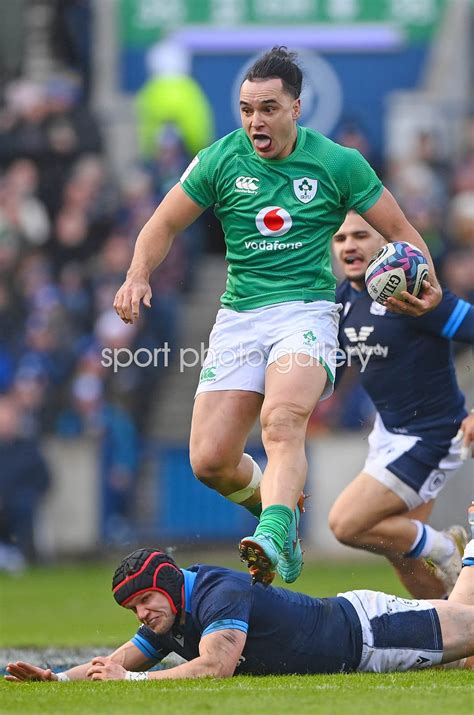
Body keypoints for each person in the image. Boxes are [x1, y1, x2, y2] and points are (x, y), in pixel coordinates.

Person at [113, 47, 443, 585]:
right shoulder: (220, 158)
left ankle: (271, 530)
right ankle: (278, 513)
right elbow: (162, 224)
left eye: (267, 108)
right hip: (239, 315)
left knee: (283, 421)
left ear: (296, 108)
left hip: (306, 312)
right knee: (210, 461)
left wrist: (432, 293)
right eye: (246, 109)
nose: (254, 121)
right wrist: (136, 274)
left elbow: (403, 232)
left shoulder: (338, 163)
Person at [5, 513, 474, 682]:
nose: (141, 615)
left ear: (167, 585)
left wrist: (131, 685)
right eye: (133, 609)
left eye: (144, 600)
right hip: (364, 635)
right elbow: (117, 662)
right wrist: (60, 681)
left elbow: (215, 666)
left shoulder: (218, 591)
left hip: (371, 635)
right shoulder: (170, 618)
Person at [329, 211, 474, 598]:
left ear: (384, 242)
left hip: (433, 435)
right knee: (401, 551)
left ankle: (447, 547)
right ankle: (457, 638)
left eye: (360, 235)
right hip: (388, 433)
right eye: (341, 238)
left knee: (346, 523)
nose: (349, 246)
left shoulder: (414, 292)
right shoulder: (341, 300)